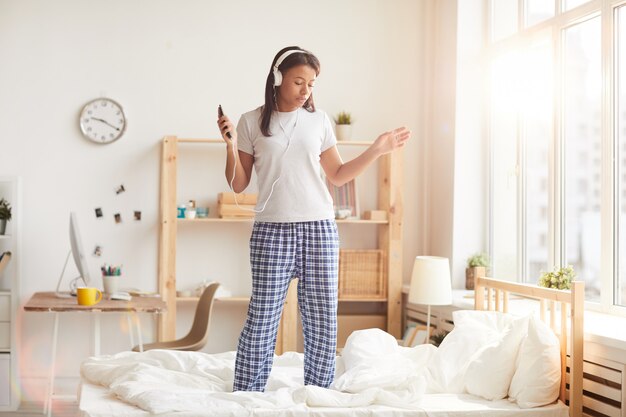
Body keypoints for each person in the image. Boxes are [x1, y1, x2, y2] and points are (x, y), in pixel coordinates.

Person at [217, 46, 410, 392]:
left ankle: (318, 394)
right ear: (278, 79)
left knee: (322, 321)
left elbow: (337, 174)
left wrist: (377, 149)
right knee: (262, 319)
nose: (306, 90)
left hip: (319, 228)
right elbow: (238, 183)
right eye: (298, 81)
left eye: (312, 84)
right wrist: (230, 146)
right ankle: (247, 394)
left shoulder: (318, 121)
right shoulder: (250, 121)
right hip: (271, 230)